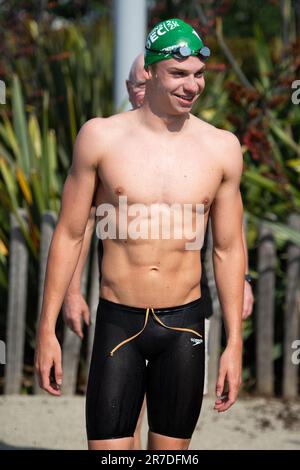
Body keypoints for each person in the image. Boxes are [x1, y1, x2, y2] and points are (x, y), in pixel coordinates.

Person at [35, 18, 246, 450]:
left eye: (199, 75)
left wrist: (234, 344)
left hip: (185, 327)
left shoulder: (222, 147)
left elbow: (227, 248)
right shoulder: (100, 138)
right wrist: (46, 329)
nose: (193, 86)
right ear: (149, 72)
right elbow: (70, 234)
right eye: (179, 74)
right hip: (120, 323)